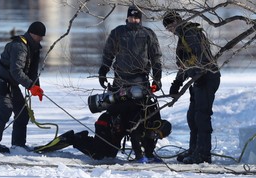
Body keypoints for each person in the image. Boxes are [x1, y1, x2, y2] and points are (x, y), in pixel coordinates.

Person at [97, 5, 163, 162]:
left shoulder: (148, 34)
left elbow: (156, 57)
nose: (134, 20)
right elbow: (108, 54)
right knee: (123, 116)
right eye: (132, 17)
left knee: (146, 116)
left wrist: (157, 78)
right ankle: (130, 150)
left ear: (140, 18)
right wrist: (103, 71)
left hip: (142, 81)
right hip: (121, 81)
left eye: (137, 18)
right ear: (127, 18)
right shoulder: (118, 32)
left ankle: (148, 152)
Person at [162, 11, 221, 164]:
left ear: (176, 22)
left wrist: (200, 73)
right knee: (192, 117)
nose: (170, 30)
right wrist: (176, 84)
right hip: (199, 79)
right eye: (168, 28)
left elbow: (201, 57)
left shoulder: (191, 33)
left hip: (207, 78)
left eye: (169, 26)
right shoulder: (183, 37)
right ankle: (194, 150)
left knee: (201, 116)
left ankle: (203, 154)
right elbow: (185, 64)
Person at [0, 21, 46, 154]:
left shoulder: (34, 48)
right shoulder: (19, 46)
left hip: (11, 83)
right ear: (32, 33)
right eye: (40, 36)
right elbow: (16, 71)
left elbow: (33, 71)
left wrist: (36, 87)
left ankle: (18, 145)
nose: (41, 39)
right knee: (5, 110)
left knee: (22, 113)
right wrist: (29, 85)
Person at [34, 110, 172, 162]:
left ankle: (83, 138)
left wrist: (149, 154)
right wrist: (140, 156)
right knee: (99, 155)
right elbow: (135, 137)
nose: (154, 136)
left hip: (118, 130)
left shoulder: (150, 127)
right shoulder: (144, 120)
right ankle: (75, 139)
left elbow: (149, 142)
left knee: (109, 156)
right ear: (156, 125)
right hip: (106, 123)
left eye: (157, 136)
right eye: (156, 133)